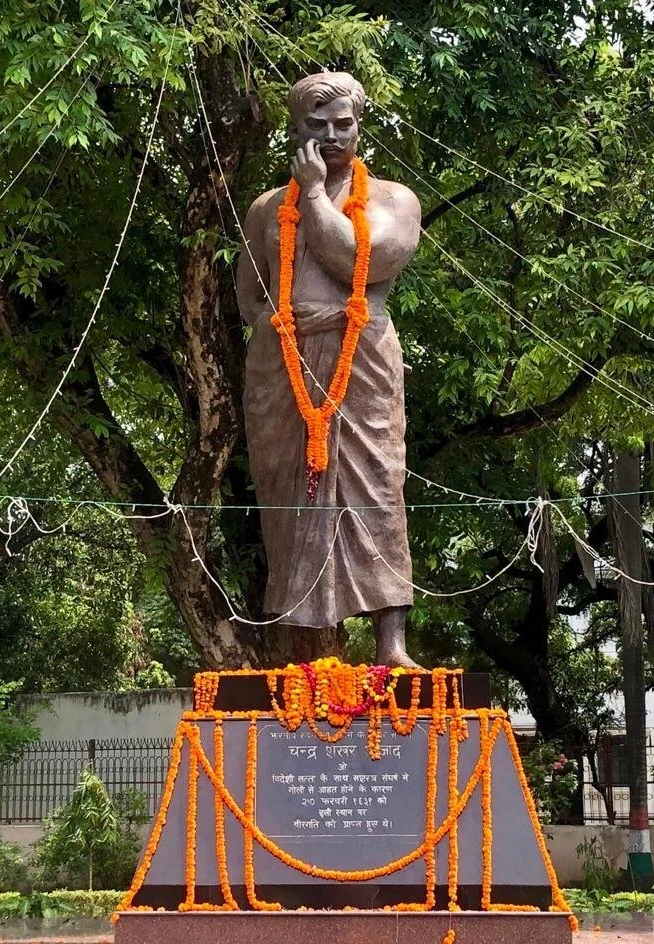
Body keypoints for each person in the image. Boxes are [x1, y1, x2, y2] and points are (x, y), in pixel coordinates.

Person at [237, 71, 421, 667]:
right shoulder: (267, 209)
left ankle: (391, 643)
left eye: (344, 124)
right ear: (295, 132)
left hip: (360, 355)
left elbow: (361, 260)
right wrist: (283, 335)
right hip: (284, 365)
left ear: (361, 127)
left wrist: (315, 195)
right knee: (288, 497)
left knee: (377, 484)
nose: (333, 135)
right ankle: (296, 649)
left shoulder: (393, 200)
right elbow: (249, 294)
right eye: (317, 125)